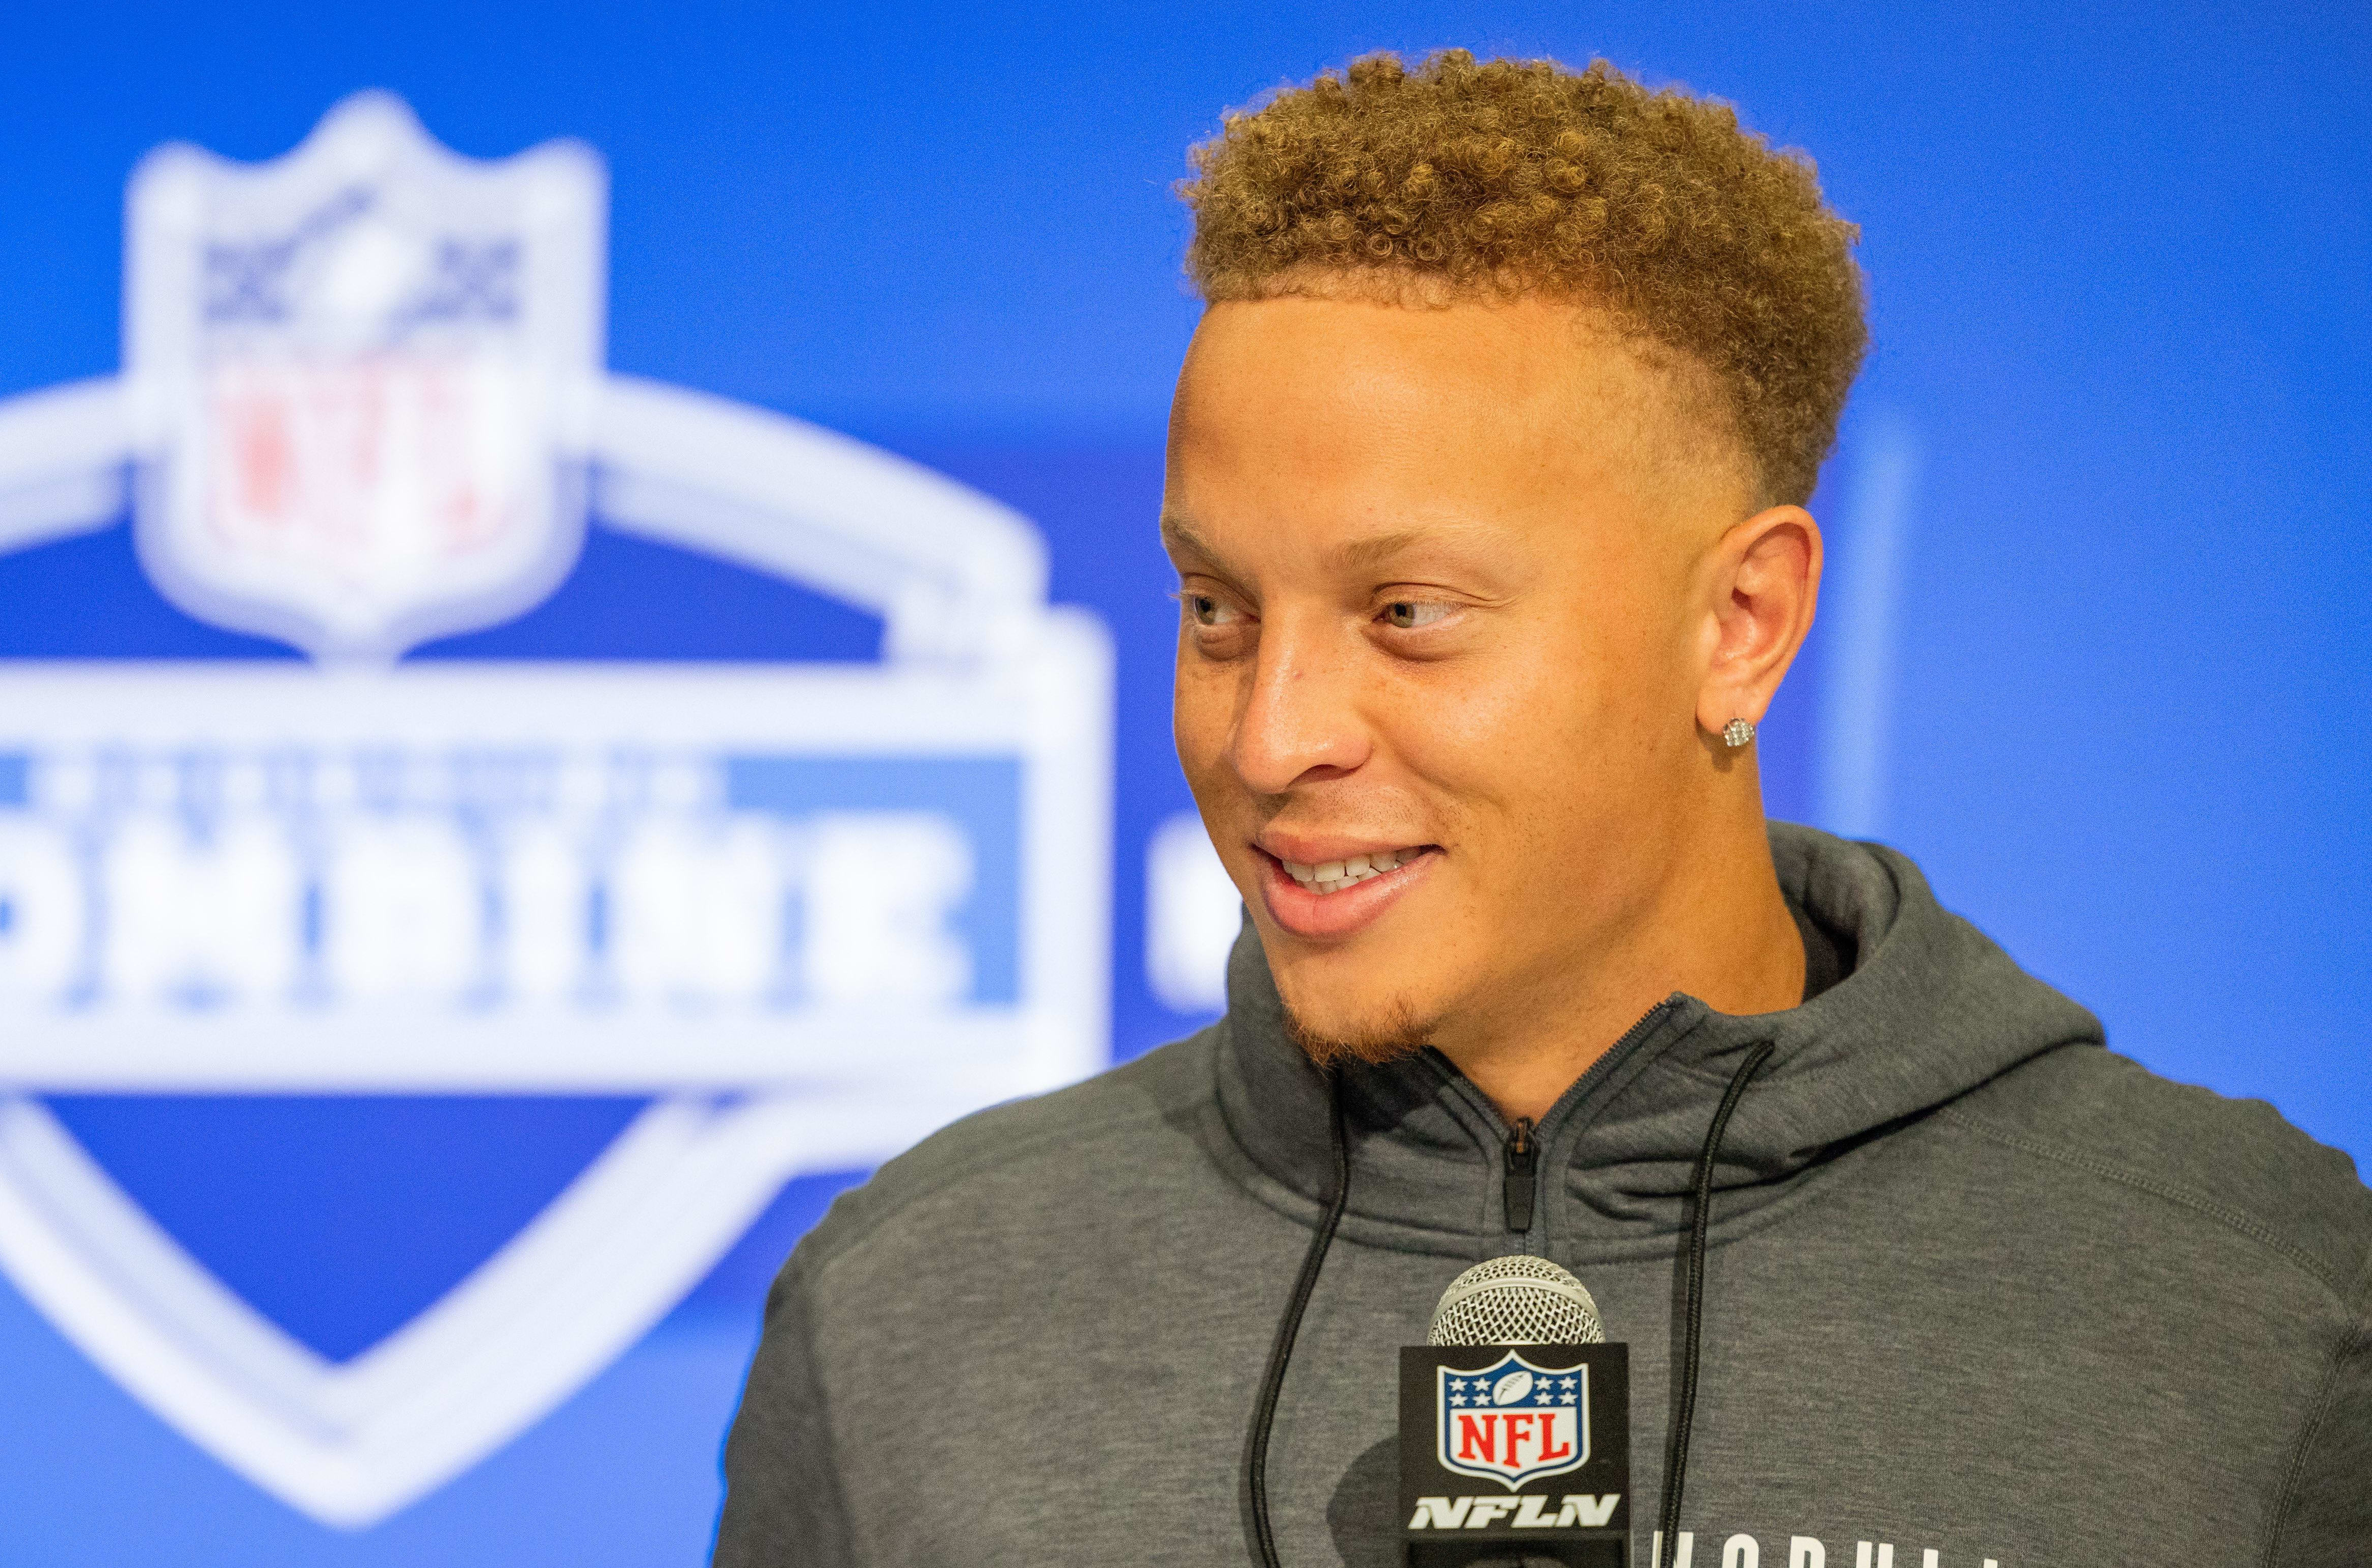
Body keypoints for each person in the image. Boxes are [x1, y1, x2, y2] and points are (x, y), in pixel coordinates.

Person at [713, 50, 2370, 1567]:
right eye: (1218, 610)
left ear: (1742, 625)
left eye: (1406, 615)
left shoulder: (2266, 1310)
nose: (1270, 735)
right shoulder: (909, 1309)